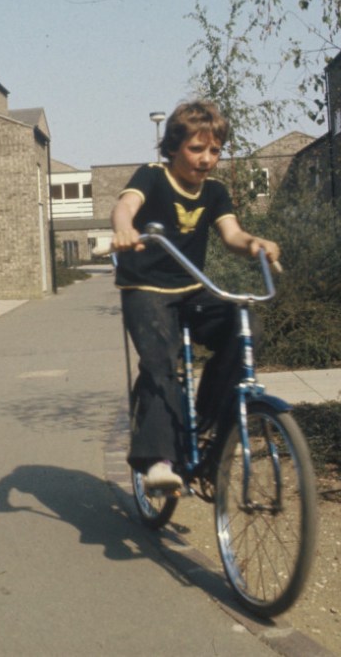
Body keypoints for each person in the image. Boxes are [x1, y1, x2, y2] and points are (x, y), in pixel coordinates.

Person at [110, 99, 281, 493]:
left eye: (215, 151)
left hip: (191, 288)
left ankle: (206, 421)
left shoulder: (215, 191)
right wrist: (124, 230)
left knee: (246, 324)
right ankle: (158, 460)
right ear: (172, 147)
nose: (206, 159)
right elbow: (125, 207)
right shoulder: (152, 176)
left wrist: (256, 243)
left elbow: (232, 235)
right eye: (196, 149)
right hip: (146, 290)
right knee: (159, 362)